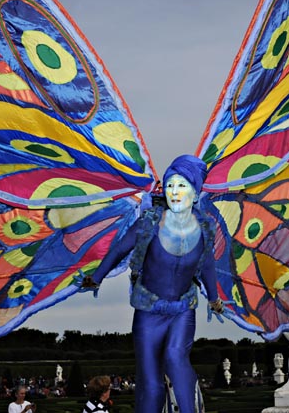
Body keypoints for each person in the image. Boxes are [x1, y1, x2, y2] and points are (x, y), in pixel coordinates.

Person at [83, 154, 223, 413]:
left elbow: (207, 266)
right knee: (151, 386)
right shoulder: (148, 221)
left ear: (195, 192)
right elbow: (118, 250)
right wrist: (97, 277)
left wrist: (214, 298)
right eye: (170, 185)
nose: (174, 192)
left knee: (175, 356)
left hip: (182, 309)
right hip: (148, 312)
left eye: (181, 186)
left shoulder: (204, 228)